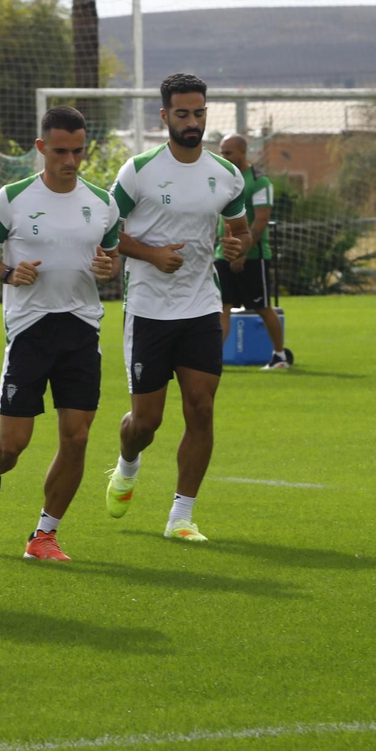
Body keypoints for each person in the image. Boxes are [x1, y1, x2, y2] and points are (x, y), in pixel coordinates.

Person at [0, 105, 121, 562]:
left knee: (77, 436)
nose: (70, 161)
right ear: (41, 148)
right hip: (30, 331)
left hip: (82, 330)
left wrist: (111, 268)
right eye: (60, 151)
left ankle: (44, 535)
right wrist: (9, 274)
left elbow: (111, 260)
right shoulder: (12, 198)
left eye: (78, 151)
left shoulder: (102, 203)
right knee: (13, 445)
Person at [104, 75, 252, 541]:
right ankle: (127, 465)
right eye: (183, 114)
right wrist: (150, 254)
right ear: (164, 116)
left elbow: (240, 232)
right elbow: (107, 231)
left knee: (201, 408)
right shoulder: (139, 170)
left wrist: (238, 249)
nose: (193, 122)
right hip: (148, 308)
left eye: (200, 113)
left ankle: (181, 517)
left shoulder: (226, 175)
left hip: (201, 306)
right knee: (146, 422)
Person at [215, 134, 289, 370]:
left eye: (228, 153)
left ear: (242, 153)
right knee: (222, 307)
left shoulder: (258, 181)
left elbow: (260, 221)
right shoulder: (221, 178)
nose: (223, 156)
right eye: (221, 152)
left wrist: (243, 252)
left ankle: (279, 356)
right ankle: (213, 360)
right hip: (222, 255)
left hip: (253, 257)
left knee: (262, 307)